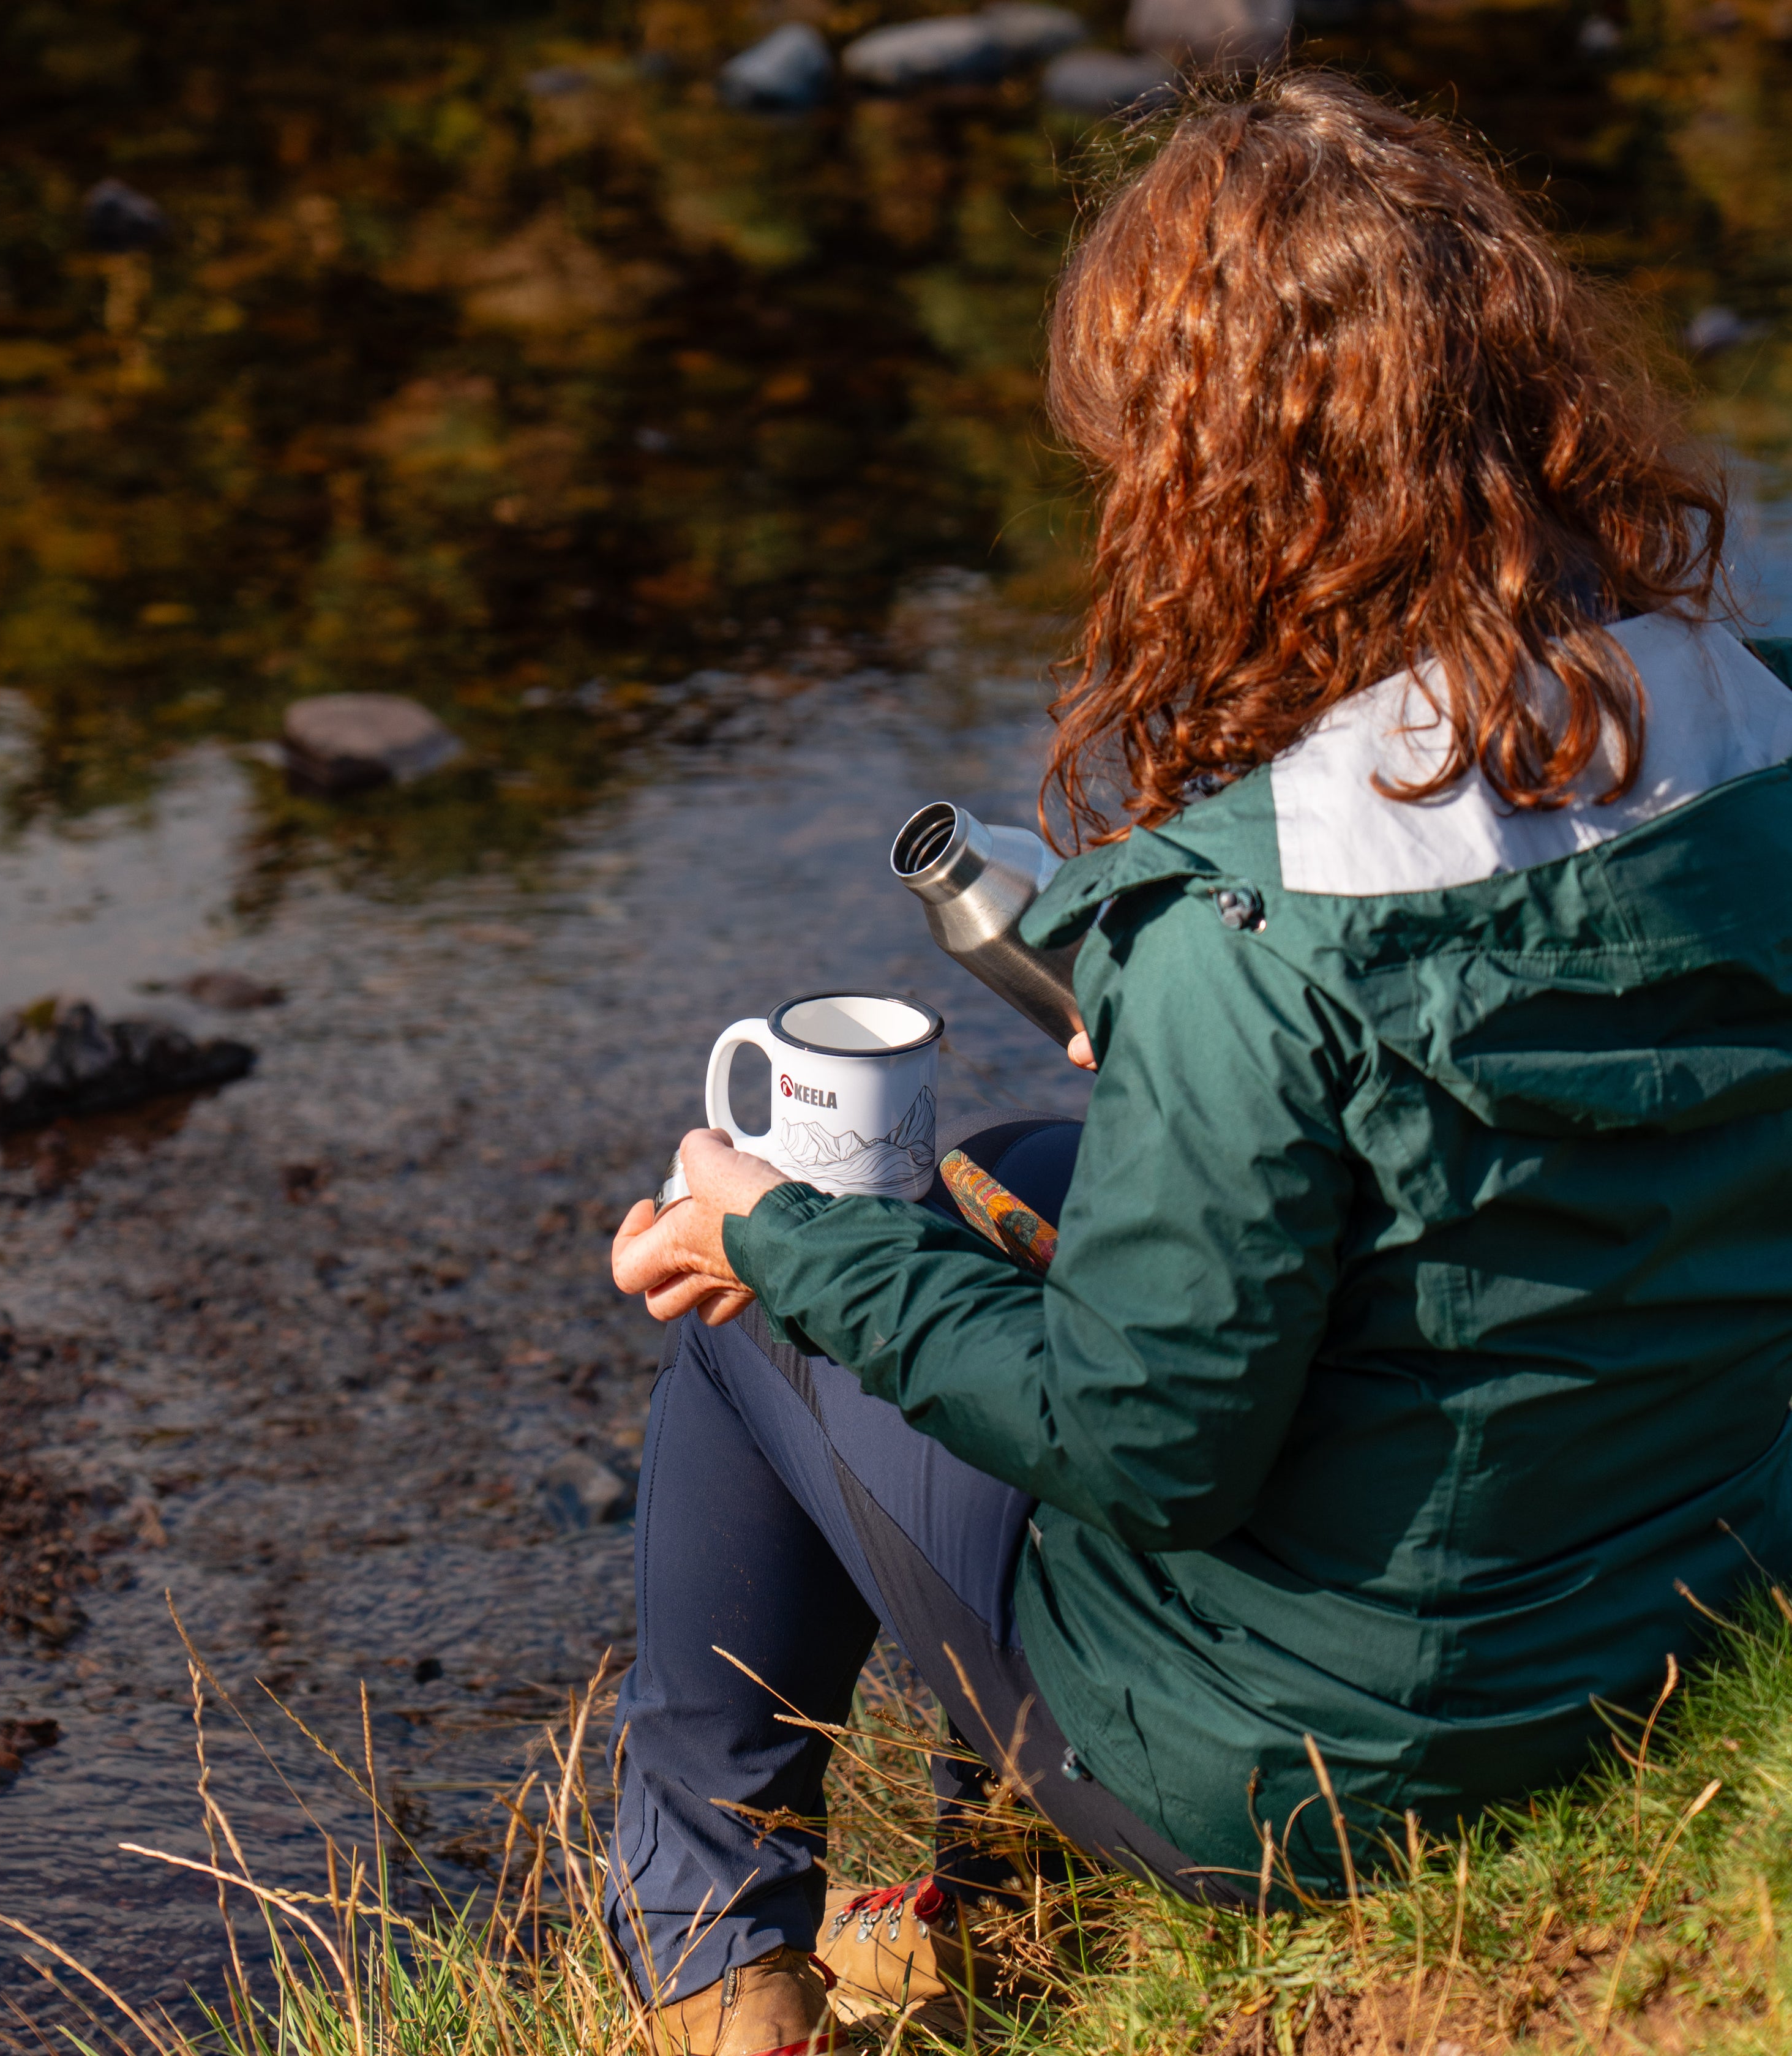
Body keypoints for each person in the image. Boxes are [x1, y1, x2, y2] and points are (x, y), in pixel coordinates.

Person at [606, 70, 1792, 2056]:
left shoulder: (1255, 929)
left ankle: (722, 1972)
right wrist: (1176, 1036)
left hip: (1320, 1774)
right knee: (1025, 1167)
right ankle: (979, 1886)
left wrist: (790, 1243)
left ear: (1213, 482)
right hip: (1685, 1612)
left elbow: (1152, 1445)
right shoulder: (1756, 731)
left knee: (765, 1293)